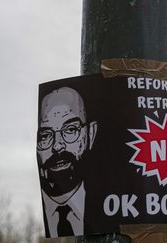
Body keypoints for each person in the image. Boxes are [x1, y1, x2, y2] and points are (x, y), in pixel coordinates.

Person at [37, 87, 98, 237]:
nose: (57, 146)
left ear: (90, 134)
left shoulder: (107, 209)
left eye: (70, 130)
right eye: (45, 136)